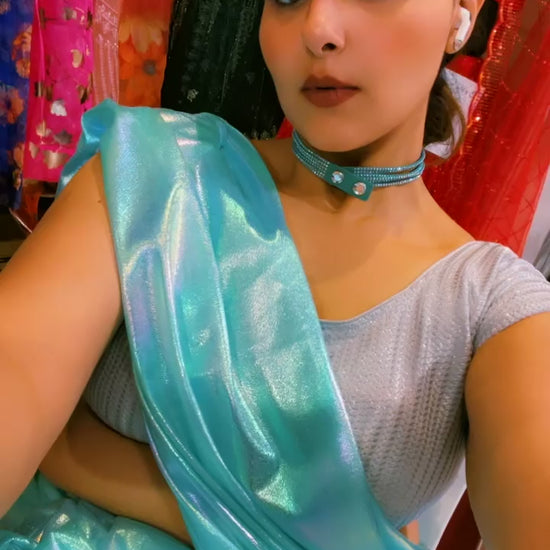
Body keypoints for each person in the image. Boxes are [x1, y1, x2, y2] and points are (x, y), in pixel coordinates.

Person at [1, 1, 550, 549]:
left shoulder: (492, 308)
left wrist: (94, 460)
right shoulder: (155, 172)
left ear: (462, 10)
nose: (317, 29)